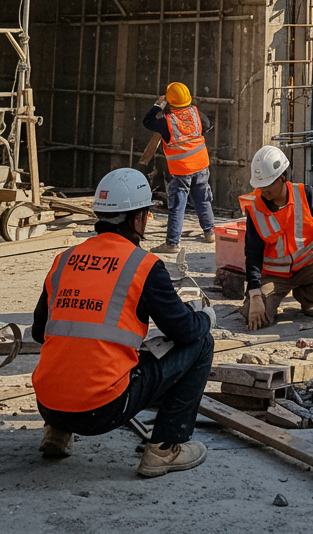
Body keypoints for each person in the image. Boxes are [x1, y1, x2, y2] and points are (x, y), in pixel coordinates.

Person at [31, 168, 214, 476]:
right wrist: (205, 317)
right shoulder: (143, 266)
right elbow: (185, 331)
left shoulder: (64, 260)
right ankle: (165, 449)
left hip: (48, 404)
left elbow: (39, 332)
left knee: (67, 343)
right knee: (201, 343)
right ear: (138, 219)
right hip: (102, 410)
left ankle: (57, 432)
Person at [240, 146, 313, 328]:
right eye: (260, 186)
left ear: (282, 178)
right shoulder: (256, 210)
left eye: (268, 184)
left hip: (306, 268)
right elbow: (253, 255)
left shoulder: (304, 194)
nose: (264, 190)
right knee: (258, 317)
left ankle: (305, 299)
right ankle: (260, 301)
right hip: (274, 276)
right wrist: (255, 294)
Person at [143, 81, 215, 252]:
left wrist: (157, 106)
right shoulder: (196, 113)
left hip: (182, 169)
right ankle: (210, 232)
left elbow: (147, 121)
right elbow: (205, 125)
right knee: (202, 199)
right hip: (201, 163)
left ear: (169, 101)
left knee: (177, 204)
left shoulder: (166, 122)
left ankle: (172, 243)